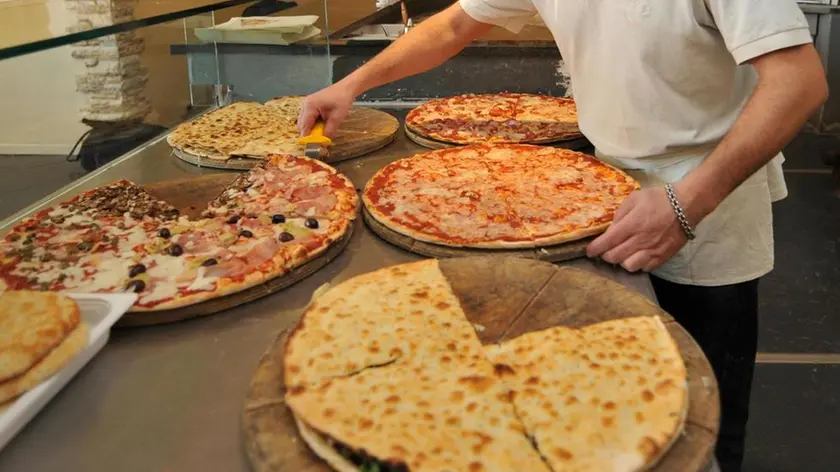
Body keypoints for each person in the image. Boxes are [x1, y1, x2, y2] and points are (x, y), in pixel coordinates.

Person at [298, 1, 828, 470]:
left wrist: (685, 204)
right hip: (602, 190)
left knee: (705, 402)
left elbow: (798, 82)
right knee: (619, 388)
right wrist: (350, 85)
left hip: (707, 200)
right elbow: (457, 24)